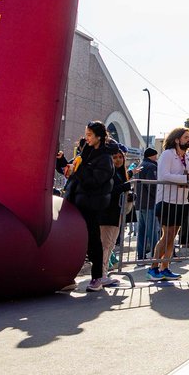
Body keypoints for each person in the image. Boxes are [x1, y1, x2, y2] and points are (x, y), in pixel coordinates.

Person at [67, 121, 117, 291]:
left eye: (89, 134)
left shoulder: (105, 158)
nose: (86, 137)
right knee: (76, 240)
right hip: (77, 201)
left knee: (93, 240)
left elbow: (94, 181)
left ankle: (97, 277)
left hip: (92, 203)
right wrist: (64, 165)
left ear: (99, 137)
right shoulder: (86, 151)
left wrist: (78, 170)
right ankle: (67, 276)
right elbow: (76, 168)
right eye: (86, 134)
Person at [149, 126, 189, 280]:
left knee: (173, 236)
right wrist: (186, 178)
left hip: (182, 201)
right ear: (177, 139)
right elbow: (164, 175)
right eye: (186, 137)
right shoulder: (167, 154)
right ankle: (153, 268)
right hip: (166, 200)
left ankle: (165, 267)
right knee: (167, 235)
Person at [97, 144, 133, 282]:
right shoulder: (108, 172)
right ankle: (101, 275)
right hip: (106, 212)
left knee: (110, 244)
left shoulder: (120, 173)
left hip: (116, 212)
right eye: (114, 157)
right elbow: (108, 190)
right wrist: (124, 187)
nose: (118, 160)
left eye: (120, 157)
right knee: (105, 245)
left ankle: (103, 273)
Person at [134, 148, 160, 262]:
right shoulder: (151, 167)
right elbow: (153, 185)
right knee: (152, 230)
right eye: (156, 155)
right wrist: (158, 197)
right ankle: (155, 255)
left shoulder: (141, 165)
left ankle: (141, 254)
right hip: (150, 202)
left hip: (140, 202)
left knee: (142, 230)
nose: (157, 157)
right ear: (153, 155)